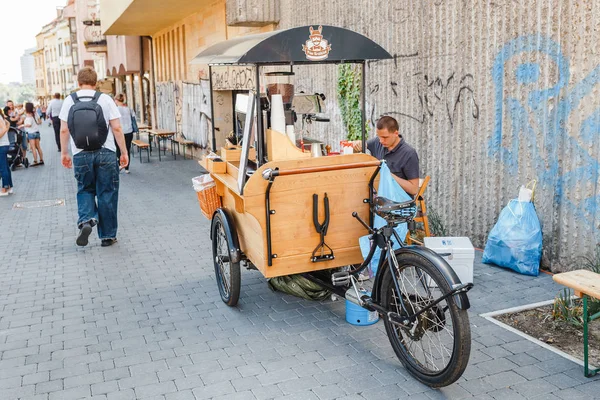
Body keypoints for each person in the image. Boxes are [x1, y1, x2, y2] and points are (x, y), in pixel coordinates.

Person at [59, 67, 128, 247]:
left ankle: (87, 220)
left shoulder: (69, 101)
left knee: (85, 189)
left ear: (78, 82)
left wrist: (64, 152)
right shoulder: (105, 99)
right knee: (107, 193)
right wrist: (124, 152)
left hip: (81, 154)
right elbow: (117, 128)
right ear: (96, 82)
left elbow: (64, 129)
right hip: (106, 152)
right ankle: (107, 236)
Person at [352, 116, 420, 196]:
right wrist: (357, 147)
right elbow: (360, 147)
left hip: (398, 202)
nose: (381, 141)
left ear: (396, 133)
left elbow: (414, 189)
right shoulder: (377, 142)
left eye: (385, 137)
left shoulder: (409, 153)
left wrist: (388, 175)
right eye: (379, 136)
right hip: (377, 198)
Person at [114, 94, 135, 174]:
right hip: (129, 131)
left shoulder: (115, 109)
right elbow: (134, 118)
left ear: (116, 100)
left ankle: (119, 165)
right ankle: (127, 168)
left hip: (120, 132)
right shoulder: (129, 109)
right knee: (127, 150)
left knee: (118, 149)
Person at [0, 109, 13, 196]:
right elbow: (7, 124)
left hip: (1, 145)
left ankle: (5, 188)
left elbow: (4, 128)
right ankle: (10, 187)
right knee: (6, 167)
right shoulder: (1, 117)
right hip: (4, 144)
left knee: (3, 167)